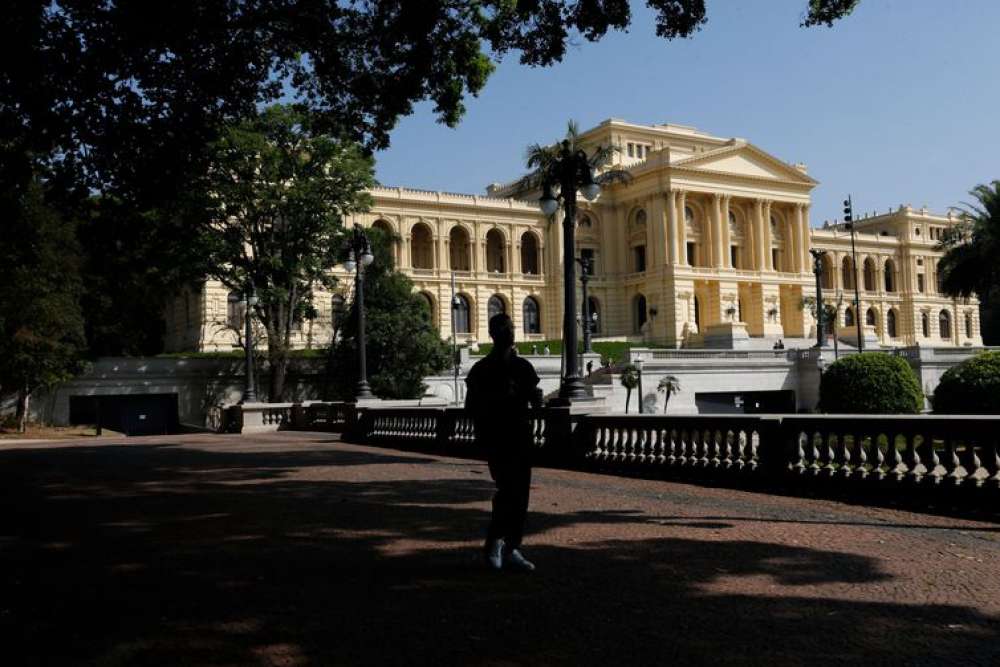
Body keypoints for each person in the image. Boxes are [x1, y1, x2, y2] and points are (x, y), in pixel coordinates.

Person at [465, 314, 542, 572]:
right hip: (498, 437)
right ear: (493, 333)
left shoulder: (522, 367)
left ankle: (510, 547)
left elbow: (534, 400)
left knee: (519, 494)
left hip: (519, 437)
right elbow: (471, 407)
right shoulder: (482, 370)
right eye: (503, 328)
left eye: (508, 328)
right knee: (509, 491)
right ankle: (496, 545)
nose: (507, 332)